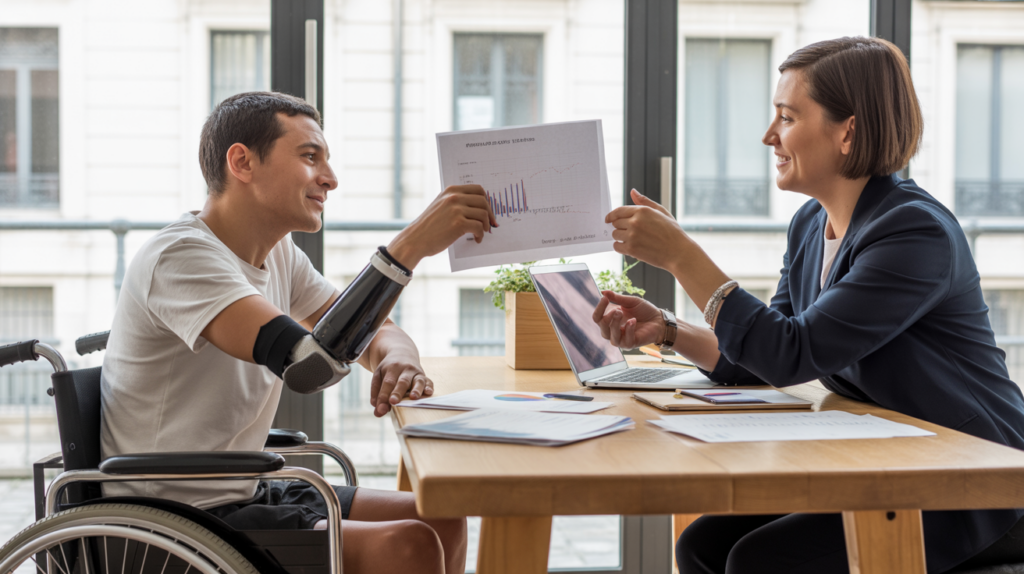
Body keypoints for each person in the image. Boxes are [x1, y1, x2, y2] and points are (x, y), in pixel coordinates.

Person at [591, 37, 1024, 573]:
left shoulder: (914, 232)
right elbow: (762, 355)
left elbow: (789, 354)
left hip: (975, 478)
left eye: (788, 117)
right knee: (700, 545)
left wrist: (682, 256)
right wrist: (669, 331)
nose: (769, 136)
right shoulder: (812, 224)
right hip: (894, 459)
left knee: (759, 561)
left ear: (848, 131)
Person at [100, 91, 497, 574]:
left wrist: (398, 358)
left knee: (441, 519)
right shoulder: (181, 258)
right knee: (408, 545)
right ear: (242, 162)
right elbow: (308, 366)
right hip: (173, 518)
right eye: (311, 157)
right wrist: (408, 249)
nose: (330, 178)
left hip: (241, 487)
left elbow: (375, 330)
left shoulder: (279, 254)